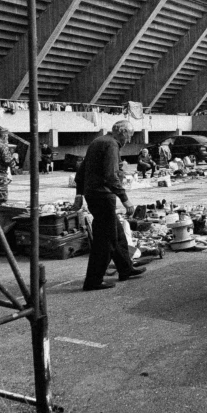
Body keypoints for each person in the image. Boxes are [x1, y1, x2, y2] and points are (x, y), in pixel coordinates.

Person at [74, 120, 145, 291]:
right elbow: (111, 175)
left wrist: (79, 193)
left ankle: (125, 269)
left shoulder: (98, 141)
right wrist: (125, 198)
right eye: (129, 134)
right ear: (120, 131)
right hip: (103, 195)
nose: (129, 139)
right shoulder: (111, 145)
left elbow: (81, 170)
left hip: (94, 194)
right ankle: (93, 280)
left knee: (117, 233)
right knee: (105, 240)